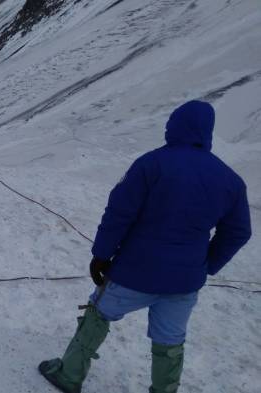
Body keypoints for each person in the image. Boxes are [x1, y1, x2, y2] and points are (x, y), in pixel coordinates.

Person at [38, 100, 252, 393]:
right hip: (185, 283)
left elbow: (119, 213)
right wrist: (207, 264)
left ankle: (69, 374)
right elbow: (239, 232)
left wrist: (101, 255)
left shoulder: (151, 164)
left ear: (177, 125)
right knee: (171, 340)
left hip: (133, 272)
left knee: (97, 314)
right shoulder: (231, 181)